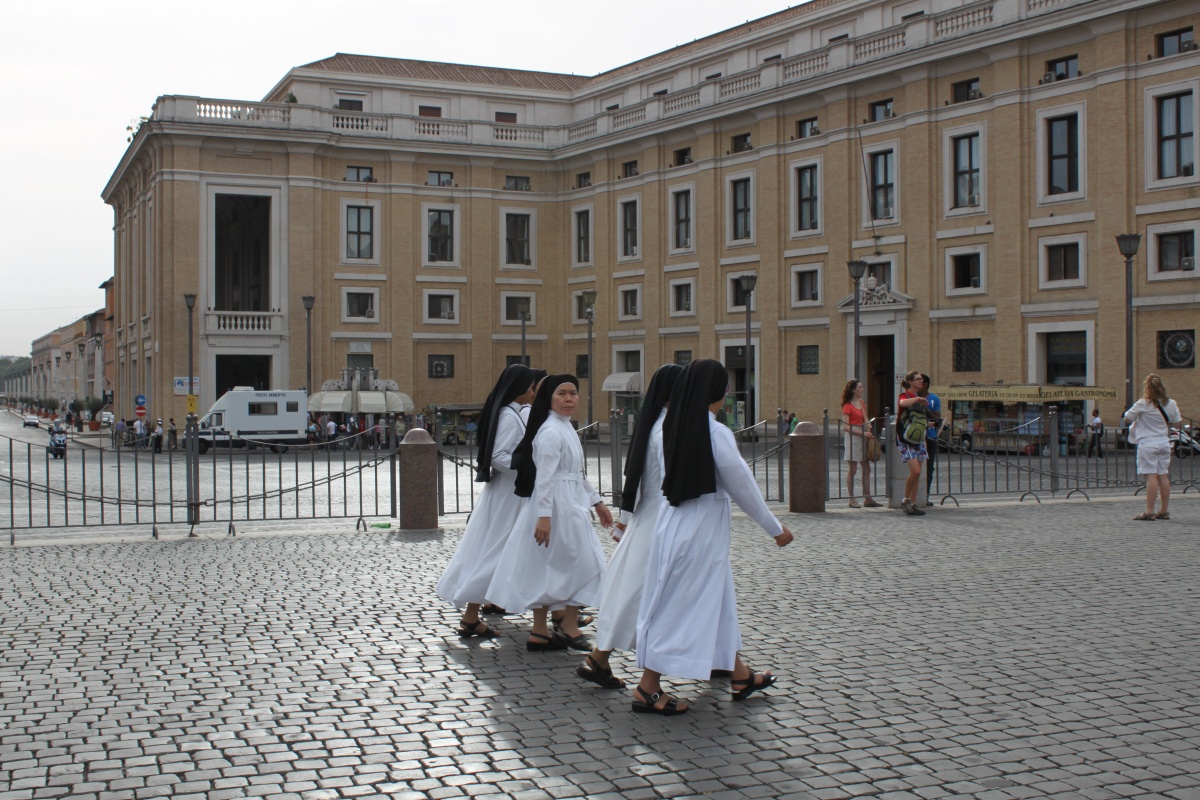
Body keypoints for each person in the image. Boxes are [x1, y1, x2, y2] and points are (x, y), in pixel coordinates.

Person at [634, 359, 794, 715]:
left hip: (672, 522)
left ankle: (739, 674)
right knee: (679, 604)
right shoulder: (715, 432)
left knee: (716, 600)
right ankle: (647, 687)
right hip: (701, 528)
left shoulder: (669, 427)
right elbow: (742, 486)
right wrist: (774, 528)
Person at [486, 375, 613, 652]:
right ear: (550, 399)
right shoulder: (551, 432)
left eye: (573, 393)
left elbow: (576, 474)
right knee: (579, 563)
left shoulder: (564, 427)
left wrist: (597, 501)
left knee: (550, 566)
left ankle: (541, 632)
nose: (569, 399)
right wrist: (544, 516)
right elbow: (544, 478)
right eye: (561, 393)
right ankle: (566, 625)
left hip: (567, 503)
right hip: (557, 507)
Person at [578, 363, 684, 690]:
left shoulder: (655, 424)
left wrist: (625, 520)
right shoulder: (667, 428)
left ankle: (726, 662)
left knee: (634, 588)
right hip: (660, 519)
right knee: (640, 592)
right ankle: (601, 656)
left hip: (648, 517)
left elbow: (637, 478)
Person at [436, 364, 537, 637]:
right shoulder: (508, 417)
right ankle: (471, 614)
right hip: (508, 495)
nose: (532, 392)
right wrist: (529, 468)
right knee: (498, 550)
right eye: (530, 387)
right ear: (519, 388)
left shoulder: (512, 413)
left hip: (509, 492)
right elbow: (498, 456)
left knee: (499, 550)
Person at [1124, 374, 1182, 521]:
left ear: (1148, 388)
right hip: (1164, 442)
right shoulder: (1171, 403)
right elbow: (1176, 421)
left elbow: (1127, 418)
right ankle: (1164, 510)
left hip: (1147, 443)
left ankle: (1149, 511)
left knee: (1151, 477)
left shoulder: (1143, 403)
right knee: (1163, 475)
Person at [840, 379, 880, 508]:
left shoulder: (861, 403)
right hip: (853, 437)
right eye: (860, 387)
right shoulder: (847, 406)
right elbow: (846, 426)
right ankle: (851, 499)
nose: (862, 389)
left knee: (866, 468)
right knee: (853, 469)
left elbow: (865, 419)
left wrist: (868, 429)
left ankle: (868, 498)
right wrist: (862, 433)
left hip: (863, 435)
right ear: (853, 390)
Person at [897, 371, 929, 515]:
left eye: (921, 379)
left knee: (917, 474)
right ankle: (905, 500)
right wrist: (917, 399)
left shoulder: (919, 399)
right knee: (915, 471)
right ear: (910, 381)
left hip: (918, 439)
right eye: (918, 379)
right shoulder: (905, 396)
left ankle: (913, 503)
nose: (921, 381)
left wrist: (932, 424)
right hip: (906, 439)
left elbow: (920, 421)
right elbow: (902, 403)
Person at [921, 374, 941, 506]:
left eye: (921, 382)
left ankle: (925, 496)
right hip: (917, 437)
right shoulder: (912, 399)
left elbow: (938, 418)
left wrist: (927, 411)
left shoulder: (934, 399)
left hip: (930, 436)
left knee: (929, 468)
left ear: (925, 384)